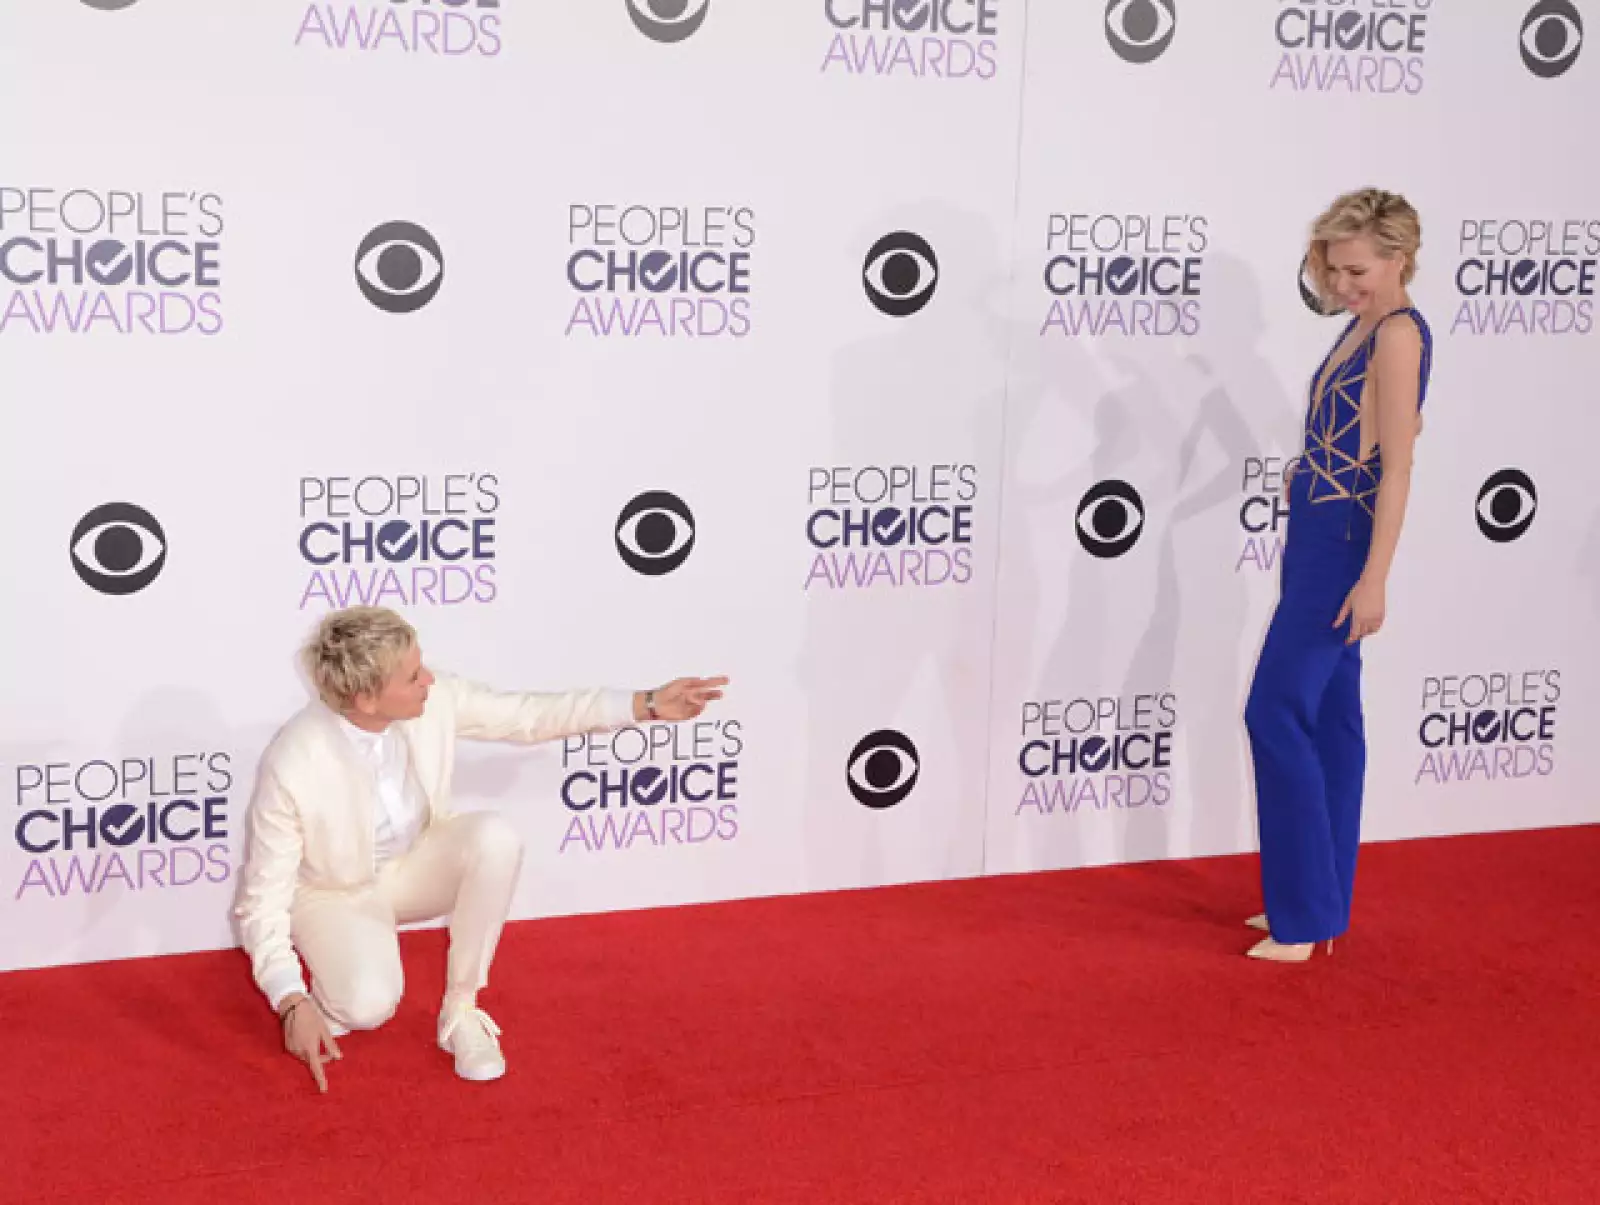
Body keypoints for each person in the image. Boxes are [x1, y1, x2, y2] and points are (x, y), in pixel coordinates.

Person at [232, 605, 728, 1088]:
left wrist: (646, 704)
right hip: (334, 893)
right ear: (365, 699)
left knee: (494, 839)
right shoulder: (294, 762)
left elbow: (528, 715)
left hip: (412, 866)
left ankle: (462, 1012)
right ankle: (340, 986)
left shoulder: (436, 699)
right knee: (367, 1007)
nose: (428, 679)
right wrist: (290, 999)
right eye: (411, 676)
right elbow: (262, 901)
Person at [1242, 188, 1433, 962]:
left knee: (1275, 711)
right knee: (1330, 718)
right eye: (1333, 269)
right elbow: (1365, 428)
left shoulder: (1396, 334)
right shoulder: (1365, 325)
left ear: (1398, 258)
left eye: (1356, 269)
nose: (1343, 283)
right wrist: (1308, 470)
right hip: (1316, 529)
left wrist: (1375, 577)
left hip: (1345, 543)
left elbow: (1398, 467)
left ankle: (1306, 912)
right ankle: (1320, 898)